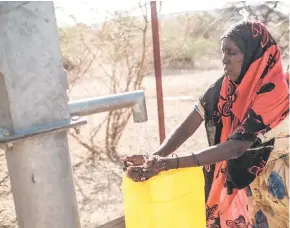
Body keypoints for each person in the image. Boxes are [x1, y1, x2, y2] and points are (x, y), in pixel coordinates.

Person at [122, 19, 289, 227]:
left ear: (254, 55)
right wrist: (155, 157)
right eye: (223, 52)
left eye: (232, 53)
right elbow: (189, 124)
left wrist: (169, 163)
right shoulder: (226, 86)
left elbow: (237, 146)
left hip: (283, 180)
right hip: (252, 181)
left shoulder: (275, 91)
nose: (224, 60)